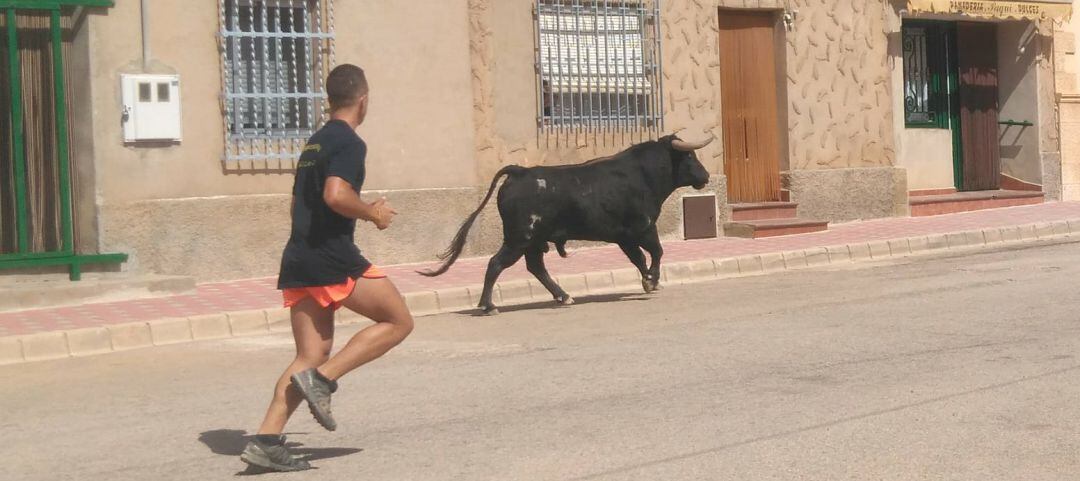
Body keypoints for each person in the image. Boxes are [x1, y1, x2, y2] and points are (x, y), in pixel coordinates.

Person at [239, 64, 415, 473]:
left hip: (299, 255)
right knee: (398, 321)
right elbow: (336, 195)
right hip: (331, 257)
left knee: (309, 354)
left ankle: (266, 440)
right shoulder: (349, 142)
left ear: (329, 99)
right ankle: (325, 379)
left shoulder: (316, 141)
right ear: (364, 100)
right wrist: (372, 212)